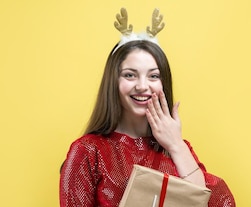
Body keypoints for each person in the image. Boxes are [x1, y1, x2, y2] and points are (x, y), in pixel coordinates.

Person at [59, 7, 235, 207]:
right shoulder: (88, 151)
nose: (142, 86)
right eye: (130, 75)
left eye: (153, 76)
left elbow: (215, 203)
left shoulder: (178, 148)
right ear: (113, 82)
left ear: (163, 83)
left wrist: (176, 145)